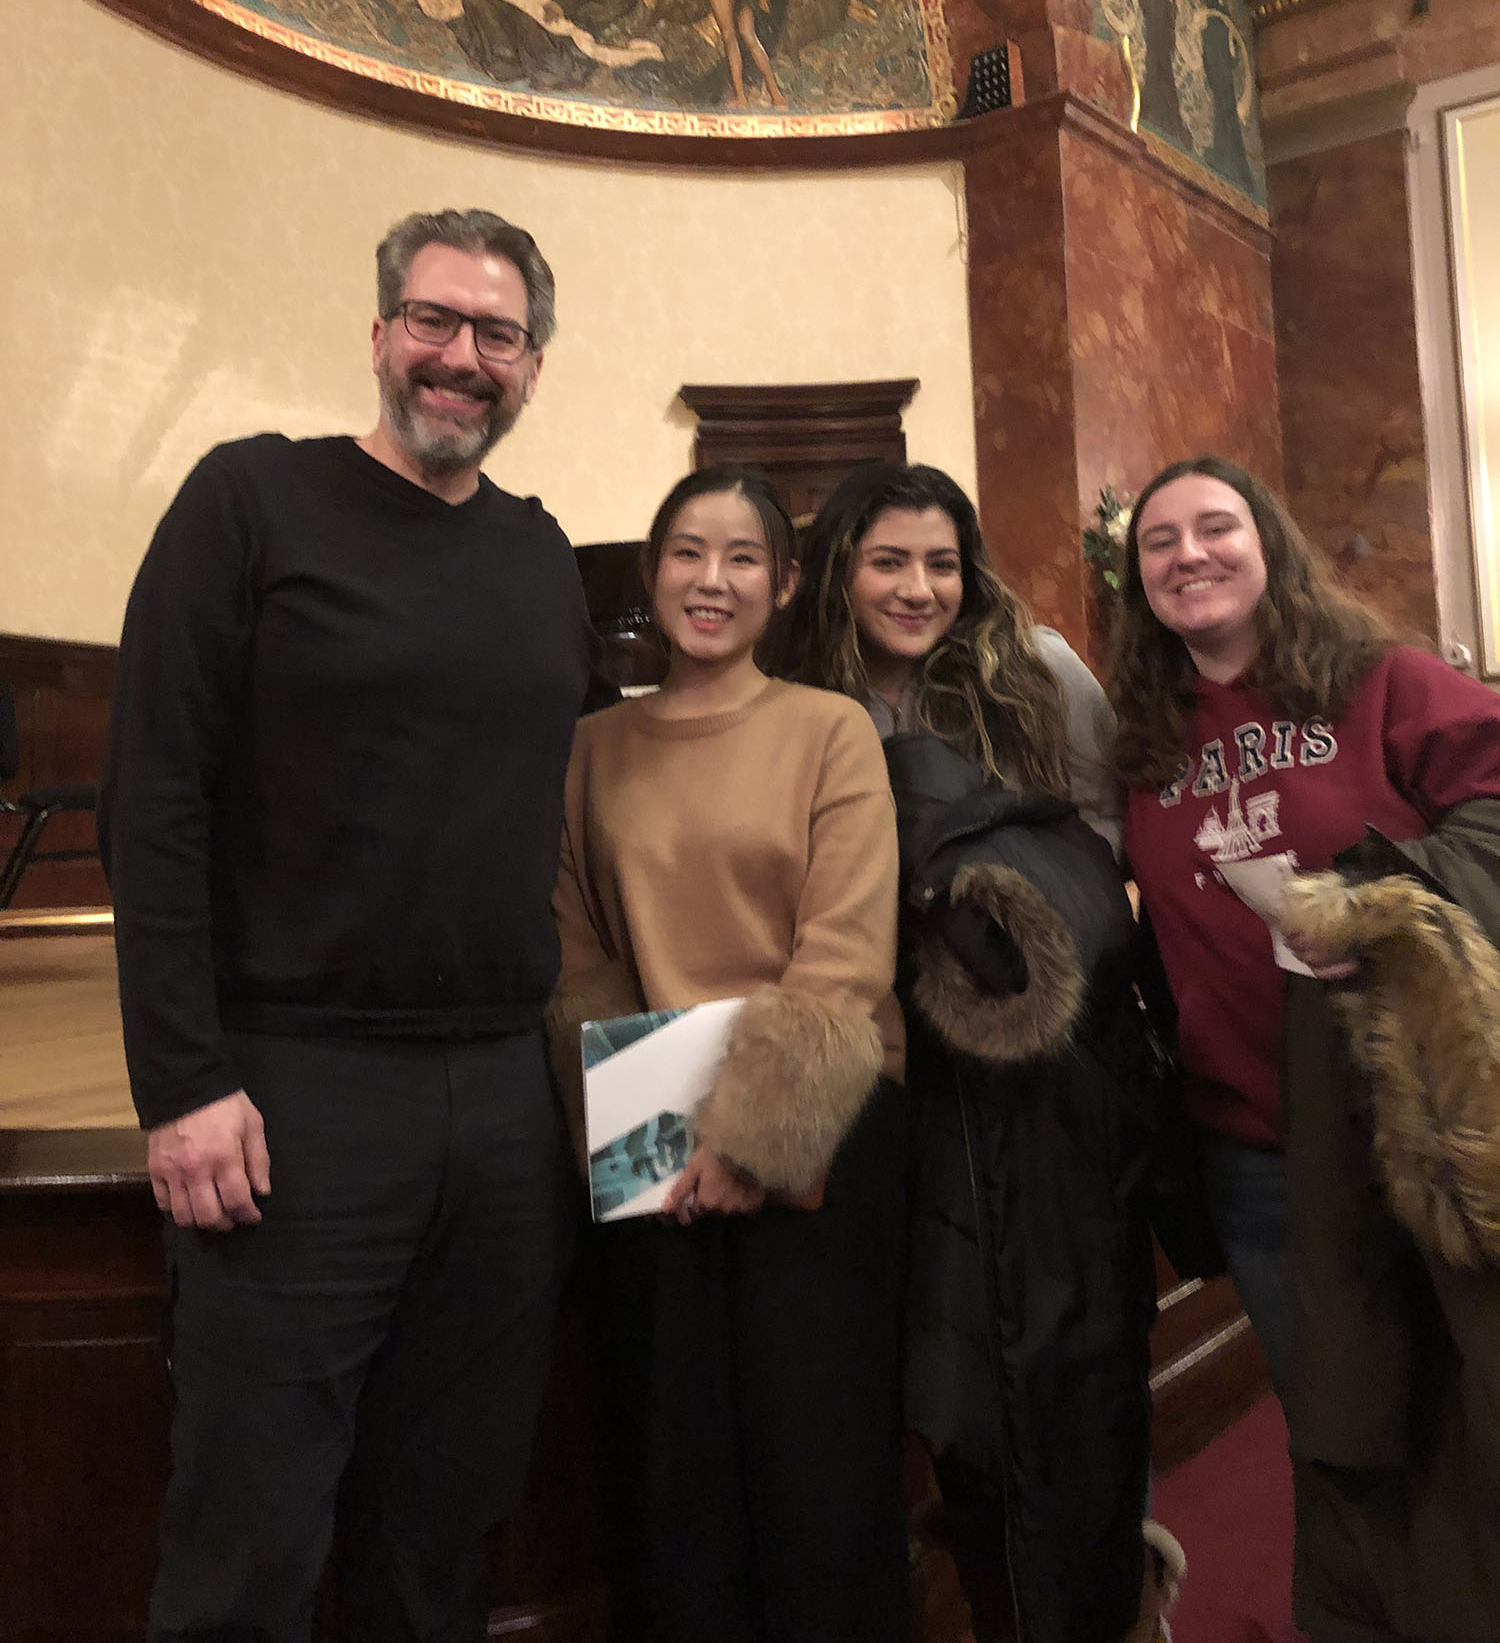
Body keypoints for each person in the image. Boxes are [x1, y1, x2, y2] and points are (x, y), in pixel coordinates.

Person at [99, 207, 591, 1643]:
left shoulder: (541, 556)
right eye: (434, 321)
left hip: (502, 1103)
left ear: (533, 369)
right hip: (297, 1093)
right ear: (379, 337)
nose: (461, 357)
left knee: (443, 1527)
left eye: (497, 334)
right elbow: (156, 801)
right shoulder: (250, 502)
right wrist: (182, 1081)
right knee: (247, 1544)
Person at [776, 461, 1177, 1643]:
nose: (917, 587)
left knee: (1070, 1373)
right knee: (944, 1374)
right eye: (889, 560)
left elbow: (1105, 855)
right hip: (883, 1076)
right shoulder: (797, 696)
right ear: (843, 568)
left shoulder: (1036, 671)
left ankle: (1113, 1597)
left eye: (940, 561)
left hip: (1038, 1075)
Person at [1110, 453, 1500, 1642]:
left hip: (1428, 1130)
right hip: (1264, 1160)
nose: (1191, 554)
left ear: (1268, 540)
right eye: (1160, 542)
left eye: (1216, 526)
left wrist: (1382, 897)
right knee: (1344, 1430)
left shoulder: (1384, 680)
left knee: (1478, 1415)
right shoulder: (1143, 740)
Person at [547, 464, 909, 1643]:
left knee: (824, 1478)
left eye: (744, 555)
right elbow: (581, 957)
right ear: (651, 574)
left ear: (786, 581)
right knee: (673, 1481)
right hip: (654, 1158)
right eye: (688, 552)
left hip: (817, 1147)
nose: (713, 579)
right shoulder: (590, 746)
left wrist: (756, 1137)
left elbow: (845, 950)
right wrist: (663, 1139)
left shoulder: (828, 726)